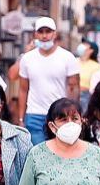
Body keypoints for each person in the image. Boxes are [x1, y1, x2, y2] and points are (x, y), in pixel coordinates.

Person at [16, 17, 81, 145]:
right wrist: (21, 118)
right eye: (41, 32)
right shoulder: (27, 59)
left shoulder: (67, 57)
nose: (44, 35)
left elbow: (73, 87)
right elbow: (23, 89)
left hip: (60, 113)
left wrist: (72, 114)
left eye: (48, 31)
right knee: (37, 153)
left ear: (54, 33)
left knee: (61, 152)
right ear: (35, 34)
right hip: (34, 114)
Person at [76, 39, 100, 105]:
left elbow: (96, 85)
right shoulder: (73, 61)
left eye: (85, 45)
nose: (82, 46)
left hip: (86, 97)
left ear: (91, 50)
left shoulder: (96, 66)